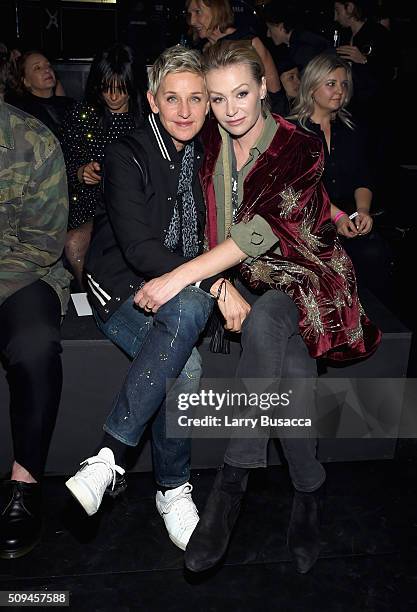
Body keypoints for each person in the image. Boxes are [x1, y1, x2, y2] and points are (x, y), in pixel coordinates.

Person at [136, 41, 381, 573]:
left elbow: (258, 231)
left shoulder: (300, 145)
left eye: (242, 93)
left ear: (265, 87)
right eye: (218, 98)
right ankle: (309, 488)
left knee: (270, 315)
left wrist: (182, 275)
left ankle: (230, 486)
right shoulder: (210, 143)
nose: (231, 109)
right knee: (285, 361)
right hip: (257, 285)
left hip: (311, 277)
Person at [65, 46, 214, 552]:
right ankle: (172, 489)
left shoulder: (209, 153)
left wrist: (210, 280)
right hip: (121, 284)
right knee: (188, 367)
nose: (186, 110)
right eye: (173, 98)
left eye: (197, 98)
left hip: (179, 284)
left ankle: (106, 460)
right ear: (152, 100)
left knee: (191, 305)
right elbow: (137, 247)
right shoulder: (125, 152)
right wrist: (206, 280)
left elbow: (220, 232)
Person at [0, 98, 71, 559]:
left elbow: (42, 244)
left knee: (35, 344)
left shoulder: (33, 140)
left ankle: (25, 486)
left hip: (22, 274)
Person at [288, 52, 393, 300]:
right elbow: (302, 188)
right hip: (309, 220)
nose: (339, 91)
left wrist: (363, 211)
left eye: (344, 84)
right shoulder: (293, 131)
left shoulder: (351, 129)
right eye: (331, 84)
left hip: (348, 217)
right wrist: (337, 217)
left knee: (375, 253)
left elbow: (362, 177)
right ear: (312, 87)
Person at [60, 43, 144, 289]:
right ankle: (91, 298)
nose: (114, 96)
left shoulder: (147, 120)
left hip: (135, 208)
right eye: (107, 88)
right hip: (90, 209)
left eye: (121, 89)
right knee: (75, 244)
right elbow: (58, 166)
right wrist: (80, 172)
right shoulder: (81, 115)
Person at [186, 0, 281, 93]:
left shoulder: (248, 43)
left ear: (217, 10)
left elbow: (275, 92)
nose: (192, 21)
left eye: (198, 12)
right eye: (190, 14)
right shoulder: (201, 50)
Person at [5, 50, 74, 137]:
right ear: (26, 81)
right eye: (37, 68)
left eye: (48, 65)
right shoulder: (21, 112)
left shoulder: (70, 105)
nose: (47, 70)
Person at [262, 4, 331, 71]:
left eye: (270, 29)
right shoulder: (304, 37)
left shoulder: (301, 50)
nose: (268, 34)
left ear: (281, 27)